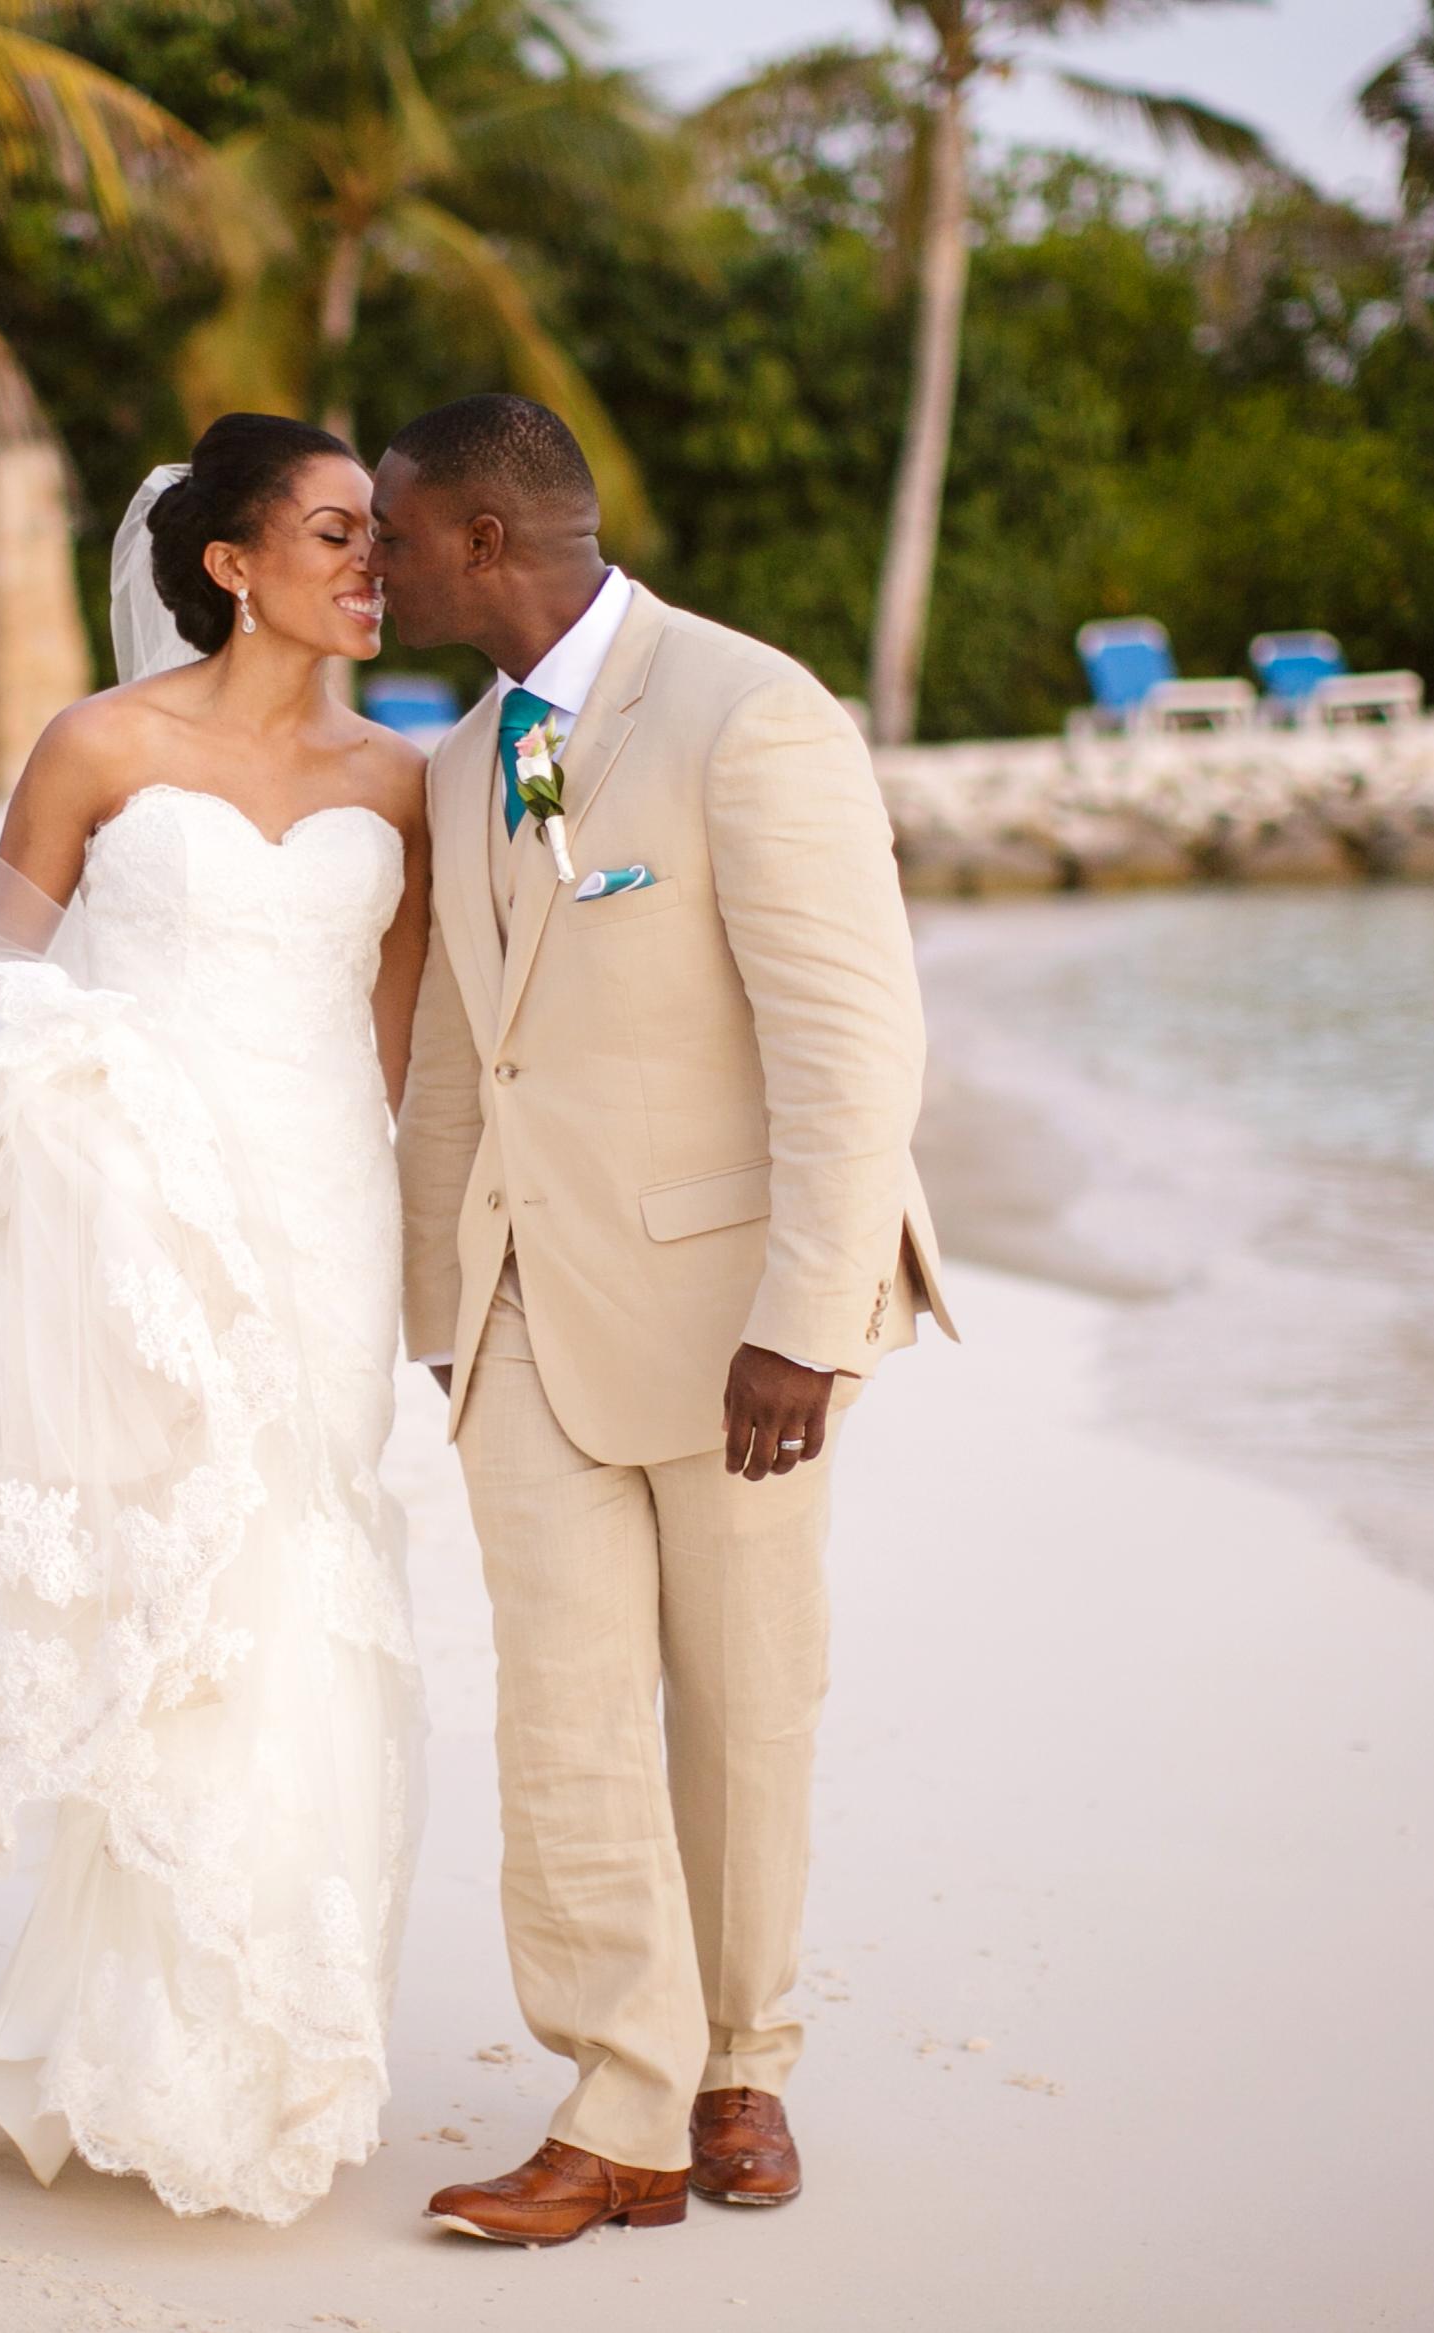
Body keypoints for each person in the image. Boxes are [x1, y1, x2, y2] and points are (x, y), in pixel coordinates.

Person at [0, 413, 434, 2224]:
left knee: (311, 1576)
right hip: (133, 1217)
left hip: (323, 1215)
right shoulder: (98, 745)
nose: (377, 565)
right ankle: (133, 2034)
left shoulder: (405, 779)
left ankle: (275, 2034)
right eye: (337, 533)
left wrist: (426, 1249)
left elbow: (401, 1040)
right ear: (231, 563)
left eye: (379, 538)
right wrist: (86, 1162)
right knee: (189, 1601)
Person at [373, 393, 954, 2246]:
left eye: (389, 531)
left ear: (481, 541)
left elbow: (852, 1039)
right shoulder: (464, 761)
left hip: (742, 1308)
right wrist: (445, 1310)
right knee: (561, 1703)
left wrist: (806, 1311)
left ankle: (740, 2063)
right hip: (528, 1303)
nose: (367, 562)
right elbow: (470, 1044)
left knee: (743, 1698)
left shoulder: (749, 711)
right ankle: (617, 2104)